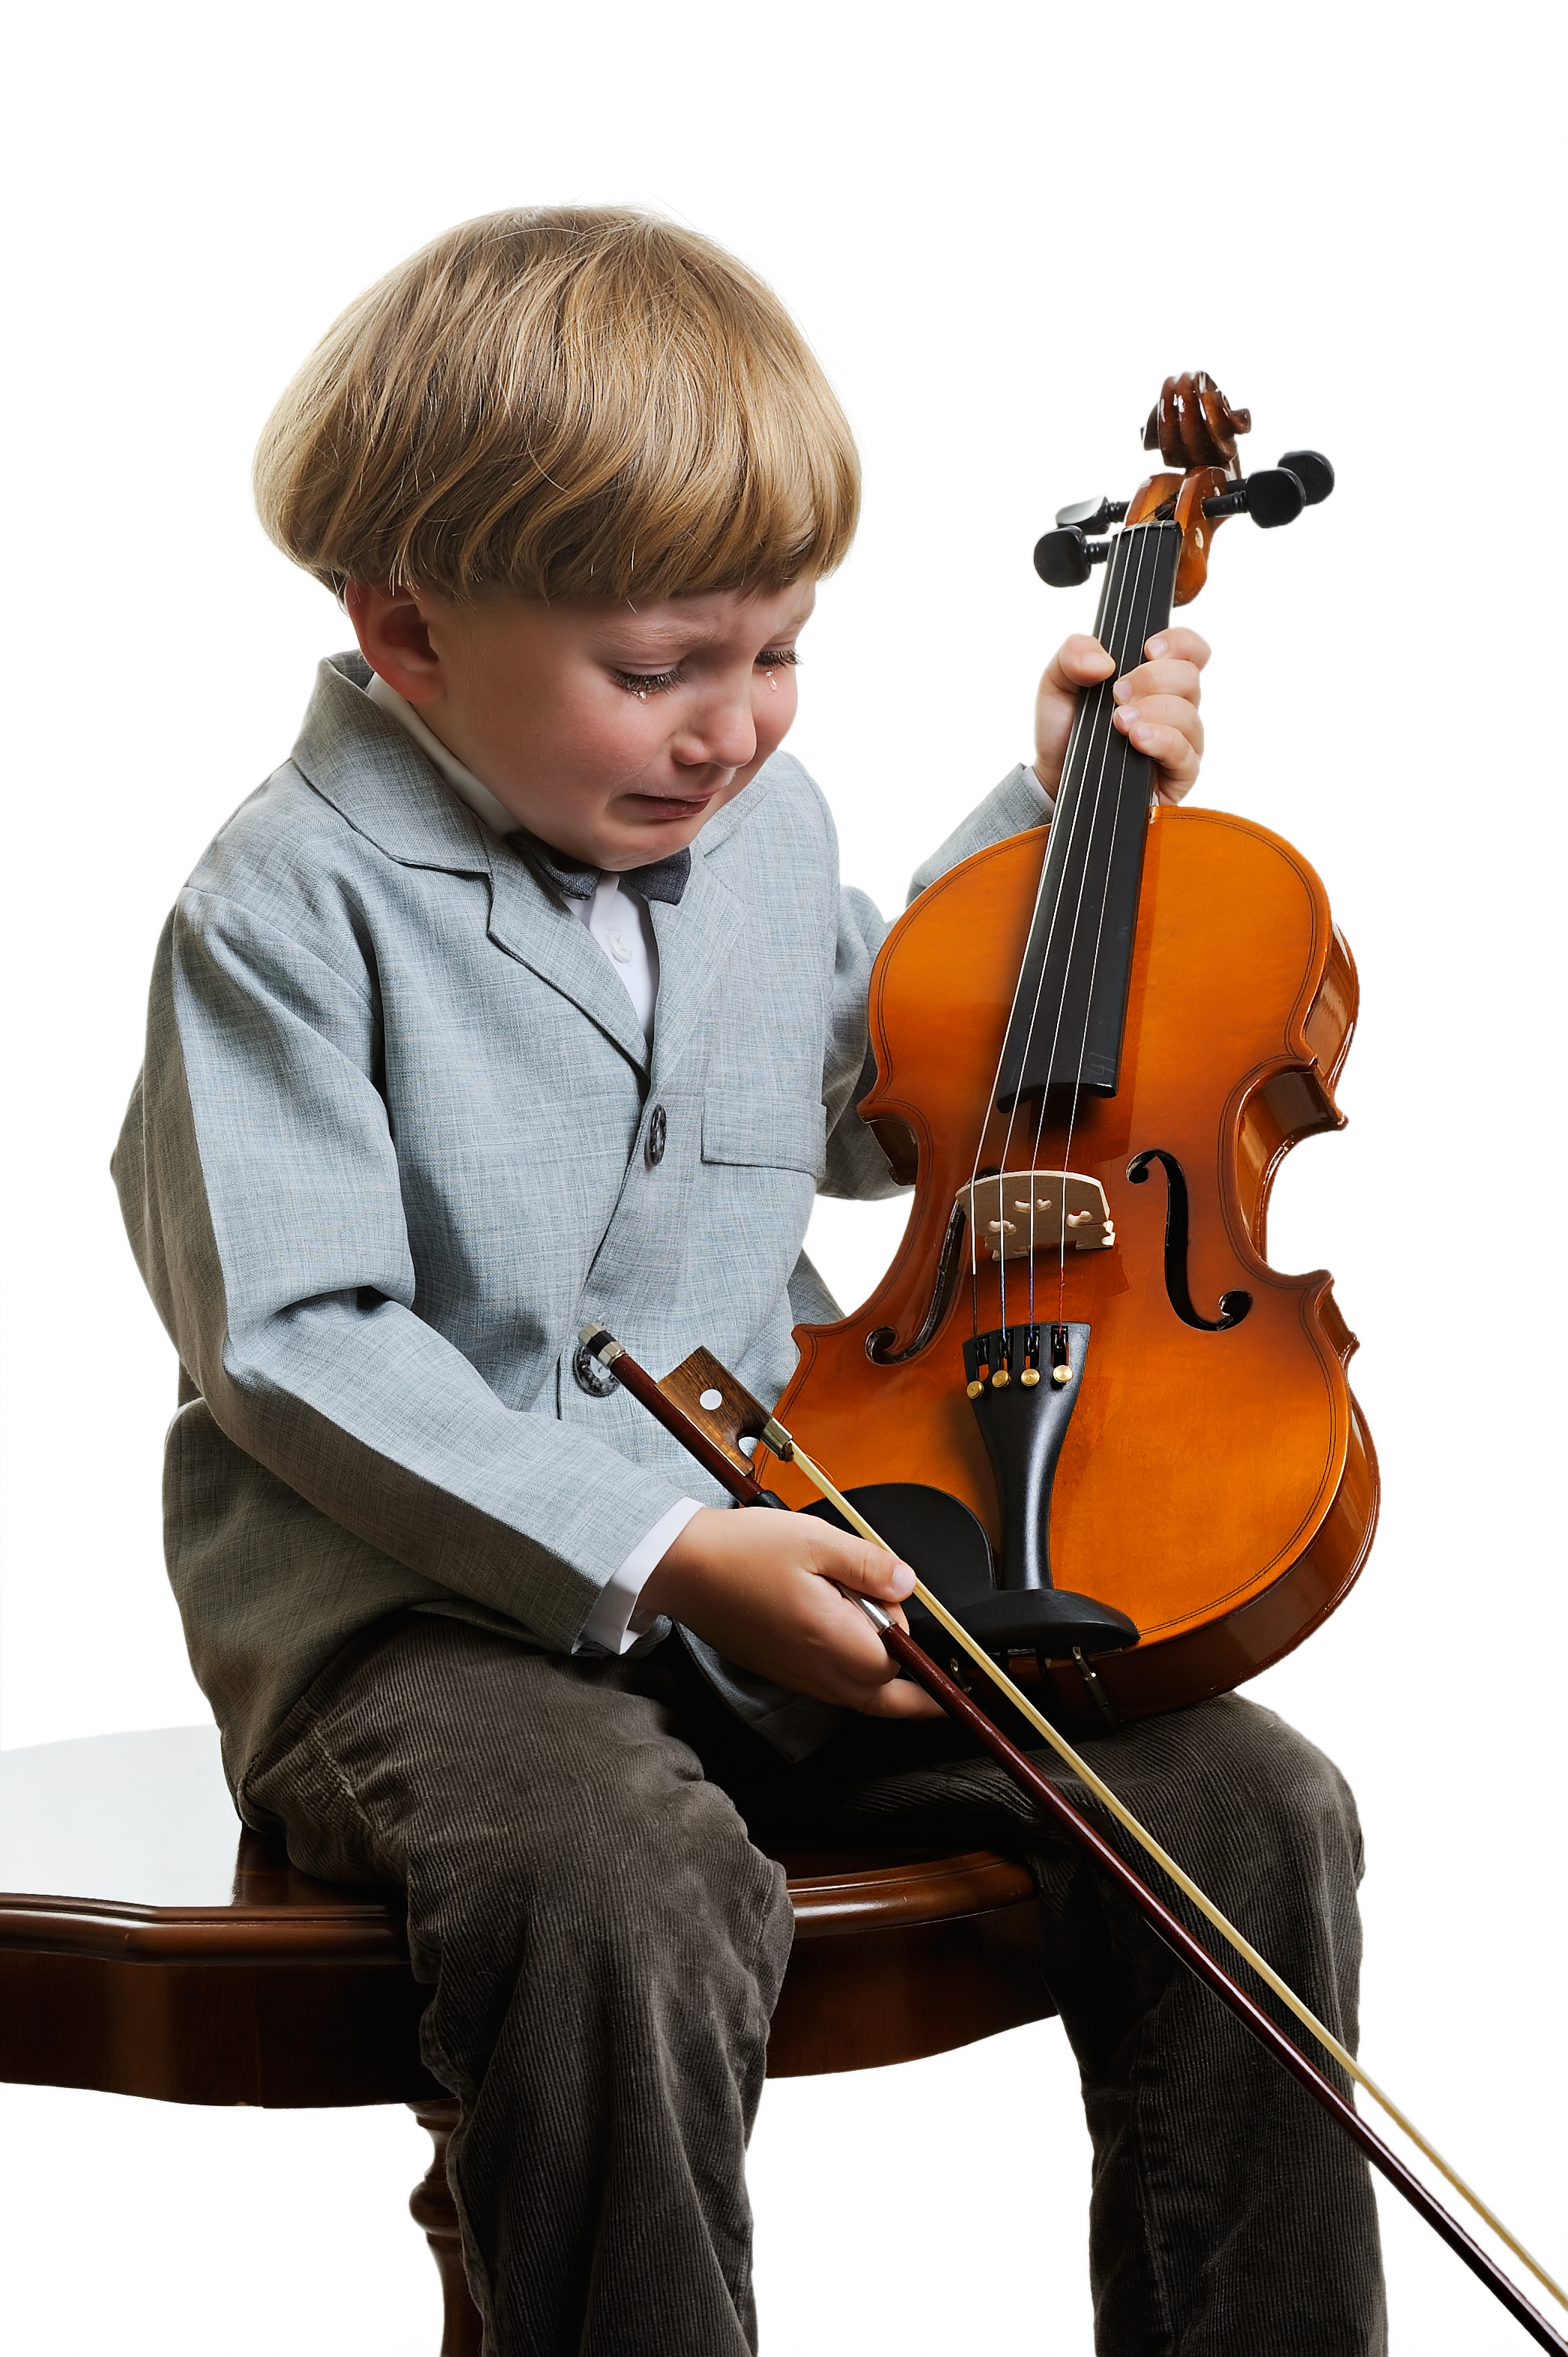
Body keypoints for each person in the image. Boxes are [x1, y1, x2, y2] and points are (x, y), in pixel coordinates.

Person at [113, 207, 1384, 2356]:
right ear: (407, 632)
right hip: (407, 1623)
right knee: (614, 1868)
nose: (733, 730)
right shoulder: (281, 909)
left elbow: (879, 1100)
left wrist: (1052, 817)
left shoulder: (757, 841)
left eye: (775, 650)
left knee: (1248, 1801)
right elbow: (293, 1343)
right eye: (659, 670)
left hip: (777, 1561)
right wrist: (661, 1542)